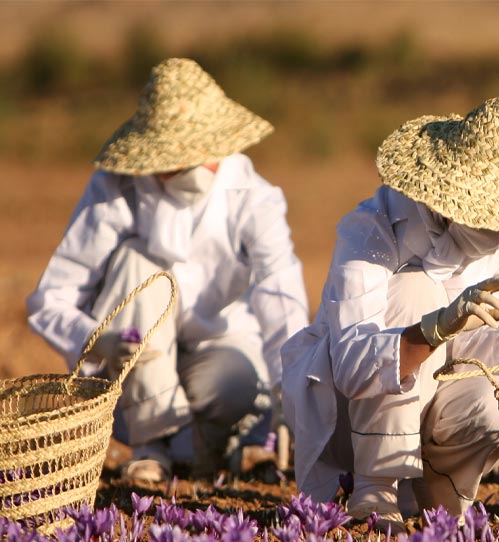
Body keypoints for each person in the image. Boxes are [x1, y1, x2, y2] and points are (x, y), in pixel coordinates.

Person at [281, 96, 499, 531]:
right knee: (415, 289)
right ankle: (376, 486)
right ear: (445, 196)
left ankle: (437, 493)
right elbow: (352, 368)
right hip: (349, 415)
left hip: (438, 400)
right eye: (490, 210)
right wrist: (434, 326)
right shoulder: (373, 229)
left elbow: (485, 352)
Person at [26, 58, 309, 484]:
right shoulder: (117, 190)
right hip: (133, 365)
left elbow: (279, 294)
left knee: (234, 385)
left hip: (216, 352)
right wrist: (97, 339)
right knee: (138, 262)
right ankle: (150, 445)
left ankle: (212, 449)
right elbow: (51, 299)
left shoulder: (253, 198)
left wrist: (293, 397)